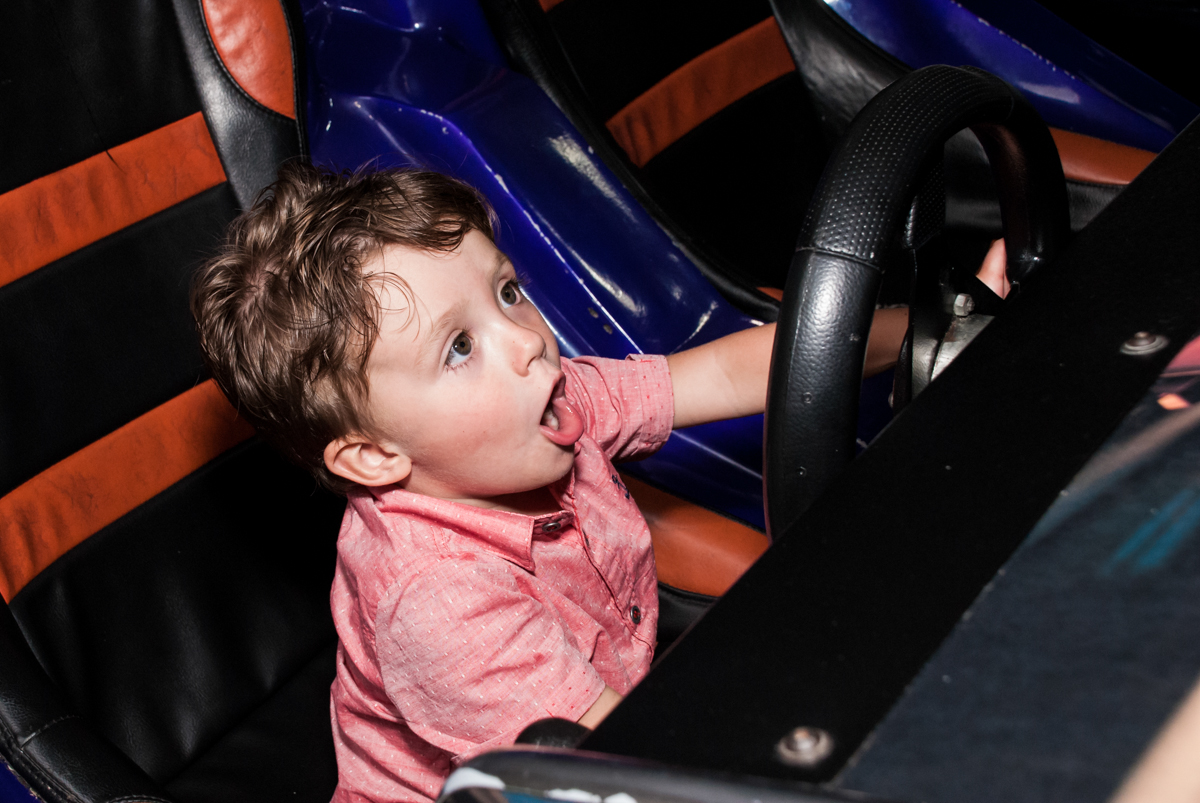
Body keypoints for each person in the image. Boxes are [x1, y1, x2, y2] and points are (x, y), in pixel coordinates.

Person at [191, 163, 907, 803]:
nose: (529, 340)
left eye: (506, 292)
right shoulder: (439, 602)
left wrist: (919, 334)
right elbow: (626, 768)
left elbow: (718, 374)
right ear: (375, 455)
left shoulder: (545, 407)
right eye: (460, 347)